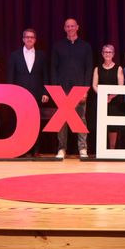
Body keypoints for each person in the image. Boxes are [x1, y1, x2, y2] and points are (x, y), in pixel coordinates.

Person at [51, 18, 93, 158]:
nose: (70, 28)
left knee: (81, 119)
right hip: (62, 89)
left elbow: (88, 69)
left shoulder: (85, 46)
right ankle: (62, 148)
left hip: (79, 89)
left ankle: (83, 148)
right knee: (62, 120)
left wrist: (85, 89)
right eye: (67, 26)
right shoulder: (58, 46)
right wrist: (55, 89)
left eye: (72, 26)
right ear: (64, 28)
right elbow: (53, 68)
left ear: (77, 27)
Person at [7, 28, 50, 156]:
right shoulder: (15, 55)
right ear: (23, 39)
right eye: (27, 37)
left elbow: (46, 75)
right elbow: (11, 76)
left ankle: (36, 150)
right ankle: (22, 149)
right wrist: (11, 94)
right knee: (21, 122)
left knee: (35, 123)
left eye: (32, 37)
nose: (29, 39)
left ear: (35, 40)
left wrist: (45, 92)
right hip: (20, 95)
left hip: (37, 94)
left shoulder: (42, 55)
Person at [92, 44, 124, 149]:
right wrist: (102, 96)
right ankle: (102, 149)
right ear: (102, 54)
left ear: (113, 54)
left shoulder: (118, 68)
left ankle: (112, 149)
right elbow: (94, 85)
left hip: (114, 102)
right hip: (101, 101)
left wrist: (110, 97)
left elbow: (120, 86)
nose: (107, 54)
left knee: (113, 126)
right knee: (101, 124)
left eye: (110, 52)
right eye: (105, 52)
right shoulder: (97, 69)